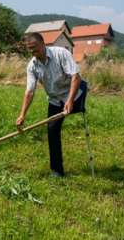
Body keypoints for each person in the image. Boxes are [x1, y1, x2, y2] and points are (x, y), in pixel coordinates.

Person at [16, 32, 88, 178]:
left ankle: (77, 106)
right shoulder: (32, 66)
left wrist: (70, 100)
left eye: (34, 48)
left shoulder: (60, 53)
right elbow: (30, 91)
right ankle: (57, 170)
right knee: (52, 128)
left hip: (75, 93)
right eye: (29, 48)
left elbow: (75, 77)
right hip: (55, 99)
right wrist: (22, 114)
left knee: (76, 108)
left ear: (42, 44)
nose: (31, 51)